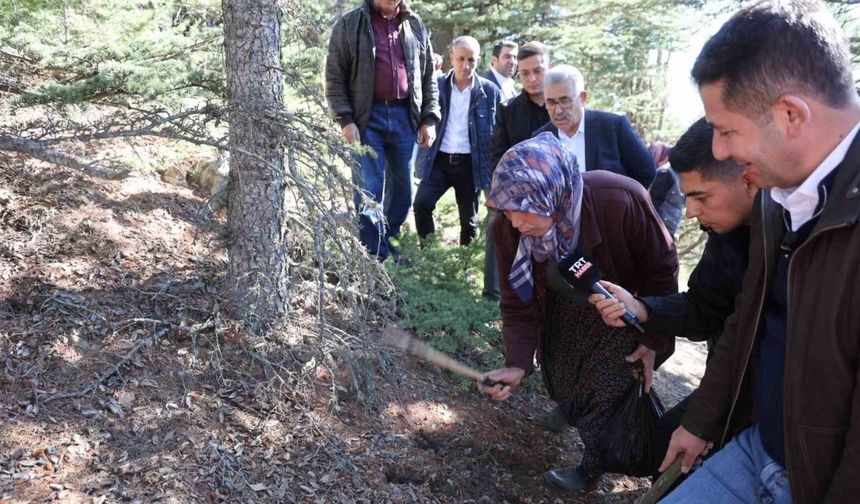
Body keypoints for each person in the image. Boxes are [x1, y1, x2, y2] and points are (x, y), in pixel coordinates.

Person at [657, 2, 860, 503]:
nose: (721, 152)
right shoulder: (776, 198)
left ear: (791, 114)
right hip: (756, 451)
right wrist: (701, 421)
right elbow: (746, 321)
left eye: (727, 131)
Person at [479, 133, 678, 492]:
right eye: (505, 209)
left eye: (523, 209)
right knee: (564, 380)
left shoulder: (619, 199)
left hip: (620, 312)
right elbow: (517, 303)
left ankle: (614, 467)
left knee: (612, 393)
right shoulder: (507, 228)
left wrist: (654, 339)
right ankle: (574, 409)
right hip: (560, 310)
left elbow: (661, 271)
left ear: (553, 196)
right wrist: (518, 363)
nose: (514, 222)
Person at [588, 117, 757, 478]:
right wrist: (643, 308)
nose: (692, 212)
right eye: (688, 197)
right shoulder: (727, 231)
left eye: (701, 196)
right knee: (653, 453)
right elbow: (704, 308)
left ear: (749, 179)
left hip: (777, 413)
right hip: (728, 387)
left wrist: (703, 422)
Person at [325, 0, 440, 260]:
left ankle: (390, 246)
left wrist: (429, 119)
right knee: (368, 189)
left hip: (405, 117)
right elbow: (334, 75)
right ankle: (373, 258)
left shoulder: (414, 24)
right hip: (367, 118)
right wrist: (345, 119)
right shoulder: (350, 24)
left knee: (404, 191)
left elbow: (428, 76)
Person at [413, 36, 501, 245]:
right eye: (460, 58)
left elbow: (498, 131)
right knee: (421, 204)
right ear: (451, 58)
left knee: (469, 222)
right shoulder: (436, 85)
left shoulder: (489, 92)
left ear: (478, 61)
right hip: (439, 160)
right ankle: (429, 255)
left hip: (470, 164)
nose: (465, 65)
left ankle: (464, 268)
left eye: (471, 60)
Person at [483, 41, 551, 301]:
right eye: (524, 73)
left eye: (538, 71)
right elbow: (497, 158)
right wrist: (506, 200)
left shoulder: (563, 105)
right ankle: (492, 296)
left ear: (549, 67)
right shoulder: (509, 110)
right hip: (518, 195)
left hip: (558, 194)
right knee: (497, 224)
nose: (532, 79)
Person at [532, 65, 657, 188]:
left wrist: (623, 202)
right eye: (551, 102)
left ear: (582, 98)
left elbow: (647, 173)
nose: (557, 110)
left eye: (564, 101)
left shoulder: (613, 127)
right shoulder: (539, 140)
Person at [647, 141, 685, 237]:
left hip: (659, 229)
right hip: (666, 229)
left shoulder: (665, 172)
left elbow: (653, 204)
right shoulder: (678, 174)